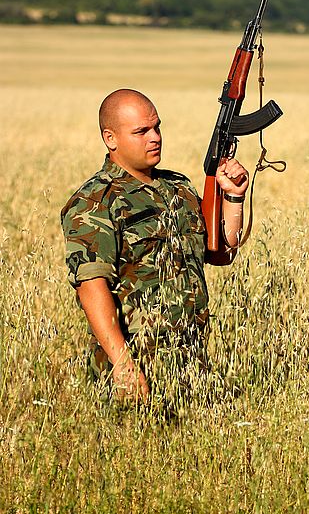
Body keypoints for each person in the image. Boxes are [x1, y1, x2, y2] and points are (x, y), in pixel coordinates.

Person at [60, 88, 248, 408]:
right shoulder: (96, 201)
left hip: (192, 362)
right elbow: (91, 287)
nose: (154, 137)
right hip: (136, 366)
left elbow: (220, 252)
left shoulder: (178, 186)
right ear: (111, 138)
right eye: (141, 131)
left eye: (157, 127)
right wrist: (122, 365)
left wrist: (233, 197)